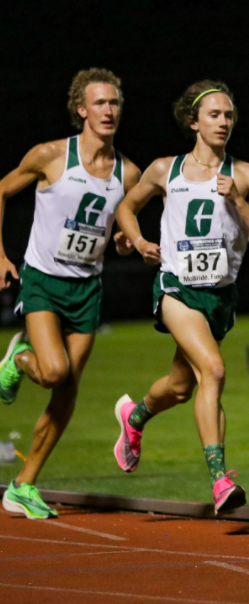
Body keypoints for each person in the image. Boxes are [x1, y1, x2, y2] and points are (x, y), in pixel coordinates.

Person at [111, 81, 249, 513]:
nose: (224, 122)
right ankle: (220, 479)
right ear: (193, 122)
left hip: (220, 297)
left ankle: (134, 416)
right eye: (214, 115)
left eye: (228, 115)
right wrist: (140, 241)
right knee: (215, 371)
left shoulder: (247, 175)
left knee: (183, 387)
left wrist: (239, 203)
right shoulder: (164, 169)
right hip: (176, 288)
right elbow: (125, 208)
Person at [0, 69, 141, 520]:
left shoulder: (129, 172)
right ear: (82, 109)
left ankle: (23, 486)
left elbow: (121, 228)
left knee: (67, 392)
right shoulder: (51, 156)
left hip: (87, 288)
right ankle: (19, 359)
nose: (109, 111)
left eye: (115, 103)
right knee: (54, 371)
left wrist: (123, 240)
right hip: (43, 279)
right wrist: (0, 257)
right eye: (100, 103)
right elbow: (0, 190)